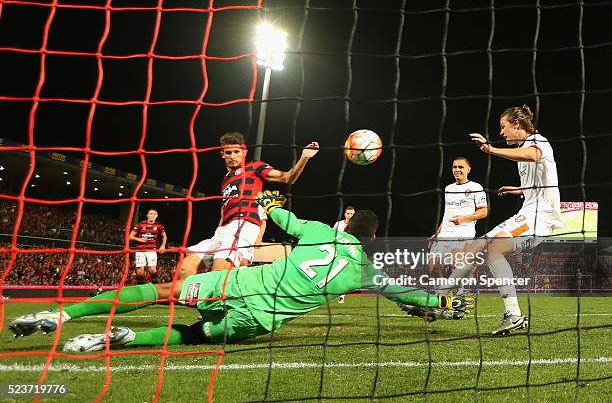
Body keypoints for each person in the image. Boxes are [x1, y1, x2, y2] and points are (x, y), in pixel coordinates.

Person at [9, 191, 473, 350]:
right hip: (261, 318)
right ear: (371, 240)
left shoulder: (317, 230)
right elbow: (406, 294)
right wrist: (442, 302)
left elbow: (278, 215)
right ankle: (127, 340)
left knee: (161, 292)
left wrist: (271, 203)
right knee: (192, 336)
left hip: (237, 281)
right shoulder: (365, 272)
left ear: (347, 223)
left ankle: (64, 315)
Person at [466, 104, 562, 335]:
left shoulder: (538, 142)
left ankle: (514, 315)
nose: (501, 133)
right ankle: (441, 300)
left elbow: (534, 155)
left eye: (503, 127)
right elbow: (540, 180)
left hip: (541, 216)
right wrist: (519, 189)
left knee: (494, 249)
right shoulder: (524, 150)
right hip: (527, 211)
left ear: (517, 124)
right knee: (476, 245)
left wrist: (491, 149)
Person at [179, 132, 319, 277]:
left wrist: (304, 157)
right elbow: (224, 210)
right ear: (222, 154)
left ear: (244, 152)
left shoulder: (254, 167)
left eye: (236, 152)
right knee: (185, 267)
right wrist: (218, 231)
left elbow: (287, 177)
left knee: (219, 272)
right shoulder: (225, 179)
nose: (233, 156)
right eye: (229, 152)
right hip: (222, 231)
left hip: (242, 223)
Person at [406, 157, 488, 320]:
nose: (457, 170)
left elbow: (483, 211)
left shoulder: (475, 187)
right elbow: (446, 214)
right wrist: (436, 233)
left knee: (454, 270)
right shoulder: (448, 188)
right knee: (433, 268)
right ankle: (445, 302)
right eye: (454, 167)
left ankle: (458, 304)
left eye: (461, 167)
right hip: (444, 235)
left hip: (463, 235)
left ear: (468, 169)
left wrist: (464, 219)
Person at [129, 209, 167, 284]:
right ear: (147, 215)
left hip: (151, 250)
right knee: (140, 272)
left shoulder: (159, 225)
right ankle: (141, 288)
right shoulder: (140, 224)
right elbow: (130, 236)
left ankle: (156, 287)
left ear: (156, 216)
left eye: (154, 214)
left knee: (152, 270)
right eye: (151, 213)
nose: (152, 215)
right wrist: (139, 239)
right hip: (140, 250)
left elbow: (164, 236)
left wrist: (163, 246)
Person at [332, 205, 356, 303]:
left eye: (352, 214)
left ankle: (342, 293)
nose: (349, 215)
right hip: (338, 251)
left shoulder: (357, 225)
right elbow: (332, 235)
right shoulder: (338, 224)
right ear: (345, 214)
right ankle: (340, 294)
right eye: (348, 213)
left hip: (351, 252)